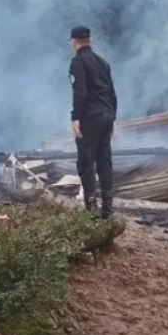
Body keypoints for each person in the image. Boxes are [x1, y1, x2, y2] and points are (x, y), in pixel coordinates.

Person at [67, 26, 117, 218]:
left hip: (90, 118)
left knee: (86, 163)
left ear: (74, 42)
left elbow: (79, 92)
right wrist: (112, 119)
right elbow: (112, 94)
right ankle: (108, 210)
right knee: (104, 162)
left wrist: (75, 118)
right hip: (106, 116)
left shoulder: (78, 62)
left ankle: (91, 211)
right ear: (90, 40)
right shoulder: (103, 63)